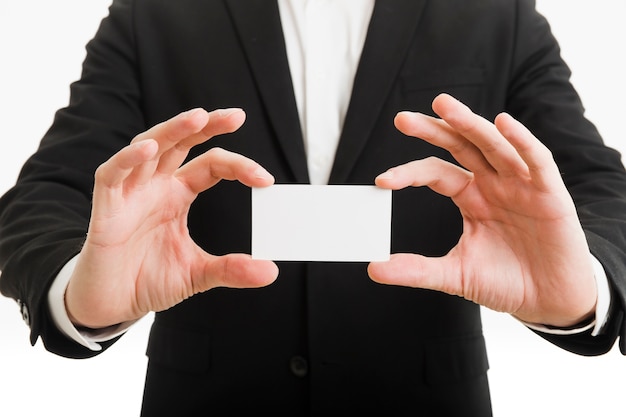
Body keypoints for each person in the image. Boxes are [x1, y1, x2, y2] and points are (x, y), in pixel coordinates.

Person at [1, 0, 625, 415]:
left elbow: (602, 189)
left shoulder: (497, 14)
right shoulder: (155, 13)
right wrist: (76, 293)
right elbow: (41, 196)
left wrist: (584, 285)